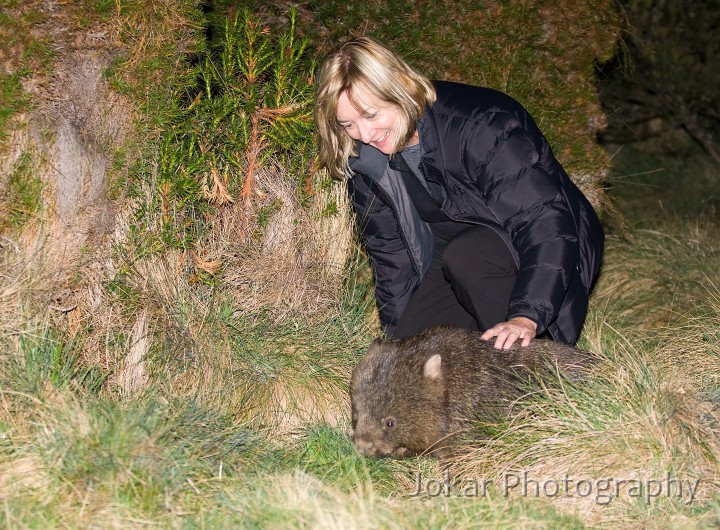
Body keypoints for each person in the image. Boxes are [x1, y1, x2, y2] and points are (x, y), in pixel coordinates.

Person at [314, 36, 604, 350]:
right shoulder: (367, 162)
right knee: (412, 355)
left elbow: (545, 225)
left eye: (371, 115)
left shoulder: (482, 126)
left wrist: (526, 316)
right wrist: (394, 341)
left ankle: (538, 367)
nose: (365, 135)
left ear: (398, 90)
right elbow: (391, 257)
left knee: (466, 256)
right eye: (348, 124)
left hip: (545, 244)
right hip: (453, 253)